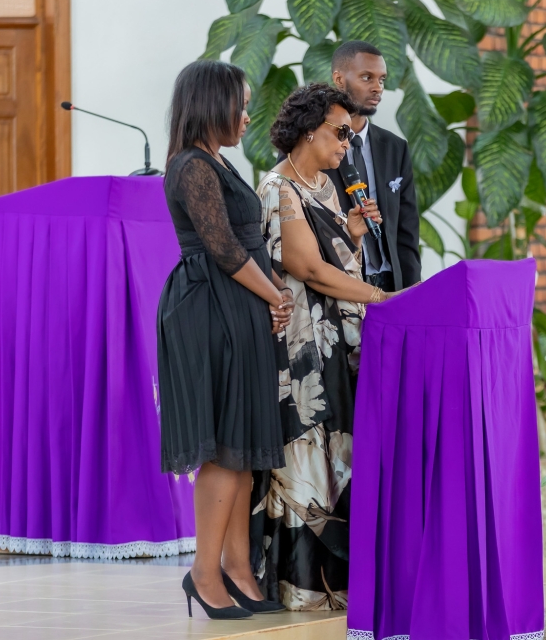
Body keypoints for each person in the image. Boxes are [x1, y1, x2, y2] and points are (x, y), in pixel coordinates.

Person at [157, 60, 293, 620]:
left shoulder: (219, 162)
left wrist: (268, 297)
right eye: (239, 103)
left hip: (236, 306)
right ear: (211, 104)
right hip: (209, 309)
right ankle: (204, 572)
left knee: (242, 444)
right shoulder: (191, 166)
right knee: (221, 445)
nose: (246, 114)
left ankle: (239, 569)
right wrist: (275, 295)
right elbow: (224, 249)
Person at [252, 83, 395, 610]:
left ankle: (342, 585)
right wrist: (384, 296)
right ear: (308, 130)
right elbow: (308, 269)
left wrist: (353, 235)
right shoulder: (278, 189)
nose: (346, 142)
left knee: (344, 456)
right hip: (304, 346)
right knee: (309, 455)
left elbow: (334, 261)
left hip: (345, 339)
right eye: (339, 132)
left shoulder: (326, 187)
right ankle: (301, 587)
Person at [327, 40, 421, 293]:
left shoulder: (395, 147)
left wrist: (412, 291)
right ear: (339, 78)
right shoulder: (310, 143)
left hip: (390, 281)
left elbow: (407, 230)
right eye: (367, 77)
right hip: (338, 282)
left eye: (381, 80)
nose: (377, 88)